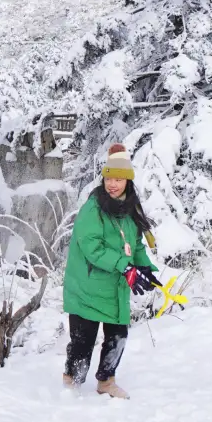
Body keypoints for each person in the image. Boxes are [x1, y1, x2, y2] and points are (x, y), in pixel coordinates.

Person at [62, 143, 159, 399]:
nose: (112, 184)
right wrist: (124, 266)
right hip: (87, 285)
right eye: (108, 178)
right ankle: (72, 382)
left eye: (118, 179)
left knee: (118, 336)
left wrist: (145, 268)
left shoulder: (129, 210)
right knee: (83, 341)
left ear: (127, 181)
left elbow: (135, 244)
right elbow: (91, 246)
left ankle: (106, 380)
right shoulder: (94, 208)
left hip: (114, 288)